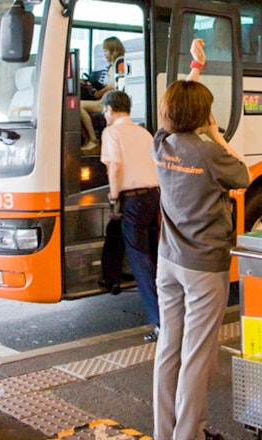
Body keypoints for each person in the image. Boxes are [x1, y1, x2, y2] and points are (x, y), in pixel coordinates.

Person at [152, 39, 249, 440]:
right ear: (202, 115)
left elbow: (175, 107)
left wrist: (195, 69)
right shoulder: (209, 153)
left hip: (169, 262)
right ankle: (187, 435)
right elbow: (243, 175)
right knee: (197, 355)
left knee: (169, 348)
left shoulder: (162, 144)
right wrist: (215, 134)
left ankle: (165, 432)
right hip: (204, 266)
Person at [100, 89, 161, 341]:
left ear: (111, 110)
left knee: (140, 259)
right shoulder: (144, 132)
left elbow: (114, 167)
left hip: (132, 198)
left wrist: (114, 198)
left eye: (104, 111)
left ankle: (159, 322)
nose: (104, 115)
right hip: (153, 196)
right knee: (129, 240)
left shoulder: (111, 132)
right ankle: (110, 279)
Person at [81, 36, 127, 152]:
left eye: (106, 51)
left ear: (113, 50)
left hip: (110, 101)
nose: (104, 54)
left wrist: (100, 92)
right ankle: (88, 140)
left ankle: (93, 139)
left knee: (78, 106)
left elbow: (117, 83)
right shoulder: (108, 67)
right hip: (104, 98)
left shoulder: (120, 64)